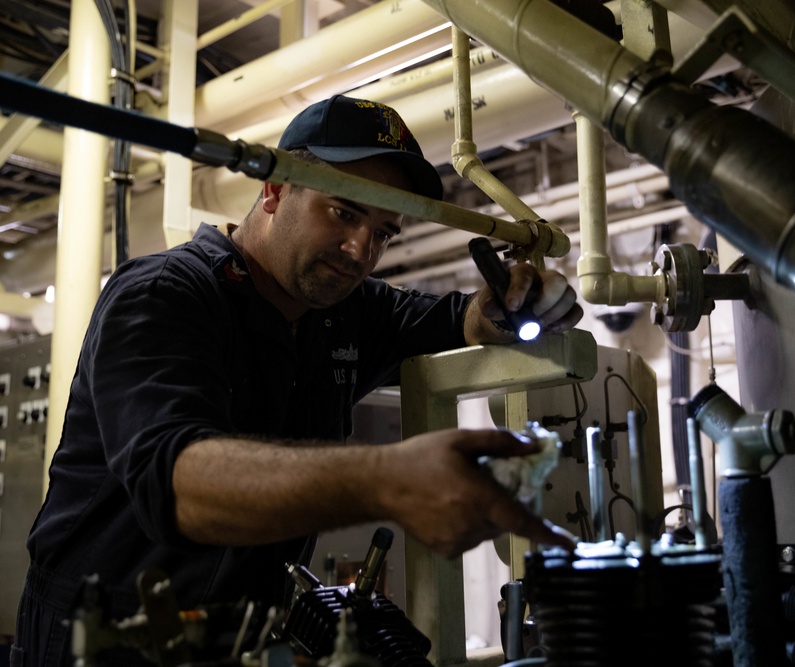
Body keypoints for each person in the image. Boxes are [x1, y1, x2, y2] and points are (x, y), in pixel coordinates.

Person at [12, 94, 583, 666]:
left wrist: (507, 305)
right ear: (275, 190)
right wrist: (387, 480)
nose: (361, 250)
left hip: (242, 643)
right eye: (344, 212)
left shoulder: (346, 312)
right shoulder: (165, 294)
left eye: (384, 232)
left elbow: (456, 317)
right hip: (103, 639)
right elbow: (179, 485)